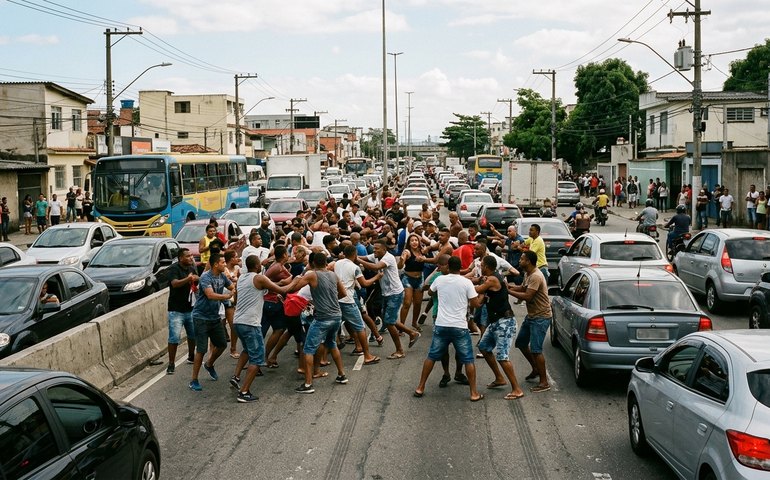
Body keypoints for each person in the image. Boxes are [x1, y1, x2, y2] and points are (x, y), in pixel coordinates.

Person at [413, 256, 484, 401]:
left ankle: (420, 387)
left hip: (441, 324)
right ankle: (473, 393)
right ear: (460, 267)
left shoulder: (440, 279)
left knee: (431, 356)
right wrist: (482, 297)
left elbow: (431, 292)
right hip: (459, 326)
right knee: (468, 359)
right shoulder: (466, 282)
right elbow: (475, 304)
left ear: (448, 267)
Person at [230, 255, 294, 403]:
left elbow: (239, 298)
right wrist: (295, 280)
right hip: (251, 323)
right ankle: (244, 391)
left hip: (238, 321)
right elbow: (283, 290)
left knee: (247, 350)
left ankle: (236, 376)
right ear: (257, 266)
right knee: (257, 357)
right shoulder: (259, 278)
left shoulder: (242, 278)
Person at [292, 252, 349, 394]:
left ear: (312, 263)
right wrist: (330, 299)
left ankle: (308, 384)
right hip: (336, 315)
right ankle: (342, 375)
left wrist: (301, 274)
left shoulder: (312, 275)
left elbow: (295, 287)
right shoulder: (333, 275)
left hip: (322, 318)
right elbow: (343, 293)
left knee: (308, 349)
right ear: (325, 262)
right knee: (332, 344)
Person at [358, 239, 420, 359]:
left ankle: (400, 350)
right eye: (374, 248)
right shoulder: (376, 255)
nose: (374, 251)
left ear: (384, 249)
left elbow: (375, 266)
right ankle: (412, 333)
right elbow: (365, 257)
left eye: (377, 249)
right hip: (386, 293)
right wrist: (353, 256)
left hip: (394, 293)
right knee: (388, 319)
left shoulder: (388, 258)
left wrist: (356, 259)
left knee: (389, 322)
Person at [476, 255, 524, 400]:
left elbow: (477, 289)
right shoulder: (489, 280)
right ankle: (499, 378)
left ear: (487, 266)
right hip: (495, 322)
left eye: (481, 265)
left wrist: (461, 283)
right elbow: (478, 303)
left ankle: (517, 389)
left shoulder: (493, 279)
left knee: (502, 356)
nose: (480, 267)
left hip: (505, 322)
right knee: (484, 347)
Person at [189, 253, 234, 392]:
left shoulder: (222, 276)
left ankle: (209, 364)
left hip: (214, 317)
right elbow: (210, 294)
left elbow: (232, 286)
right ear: (215, 264)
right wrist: (226, 296)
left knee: (221, 344)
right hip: (201, 317)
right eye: (222, 263)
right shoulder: (205, 277)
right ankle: (194, 380)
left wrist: (236, 289)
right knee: (201, 349)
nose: (225, 265)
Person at [508, 251, 552, 393]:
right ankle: (535, 368)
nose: (519, 261)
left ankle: (544, 382)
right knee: (521, 342)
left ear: (529, 261)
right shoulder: (528, 273)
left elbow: (527, 296)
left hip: (541, 317)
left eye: (522, 259)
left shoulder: (536, 276)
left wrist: (508, 291)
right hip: (532, 316)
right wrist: (508, 286)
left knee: (536, 349)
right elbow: (523, 288)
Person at [334, 244, 382, 364]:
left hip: (337, 298)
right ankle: (367, 355)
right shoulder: (355, 267)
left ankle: (357, 347)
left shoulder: (337, 263)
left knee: (342, 325)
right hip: (348, 300)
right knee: (360, 327)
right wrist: (377, 276)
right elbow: (365, 283)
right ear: (355, 254)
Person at [166, 248, 199, 375]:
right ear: (180, 258)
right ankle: (171, 363)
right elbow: (174, 284)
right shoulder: (173, 269)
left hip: (190, 307)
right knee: (174, 337)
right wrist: (188, 279)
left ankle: (191, 356)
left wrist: (196, 280)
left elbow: (196, 280)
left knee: (192, 335)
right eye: (188, 256)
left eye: (191, 255)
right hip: (176, 310)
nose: (191, 258)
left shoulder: (192, 267)